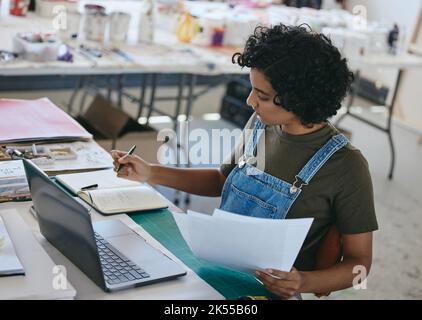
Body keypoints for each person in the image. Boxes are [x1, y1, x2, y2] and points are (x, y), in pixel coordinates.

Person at [112, 24, 378, 300]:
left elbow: (359, 263)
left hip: (268, 293)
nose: (251, 101)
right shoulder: (261, 125)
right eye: (252, 90)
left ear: (299, 99)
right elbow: (221, 181)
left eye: (261, 96)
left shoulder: (346, 166)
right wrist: (150, 172)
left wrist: (304, 282)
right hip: (214, 270)